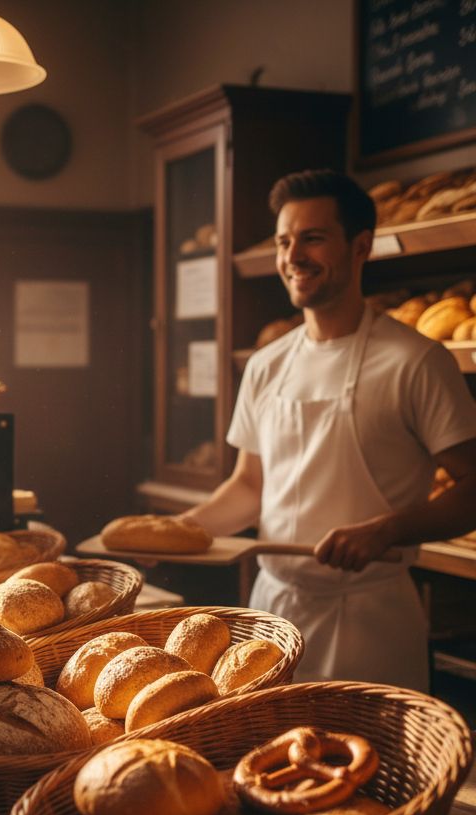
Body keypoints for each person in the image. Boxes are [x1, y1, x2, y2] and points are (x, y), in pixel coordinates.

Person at [180, 169, 476, 690]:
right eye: (283, 241)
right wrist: (182, 532)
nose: (292, 256)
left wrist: (388, 529)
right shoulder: (266, 365)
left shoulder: (416, 361)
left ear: (361, 246)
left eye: (312, 239)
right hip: (272, 616)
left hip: (372, 621)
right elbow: (250, 487)